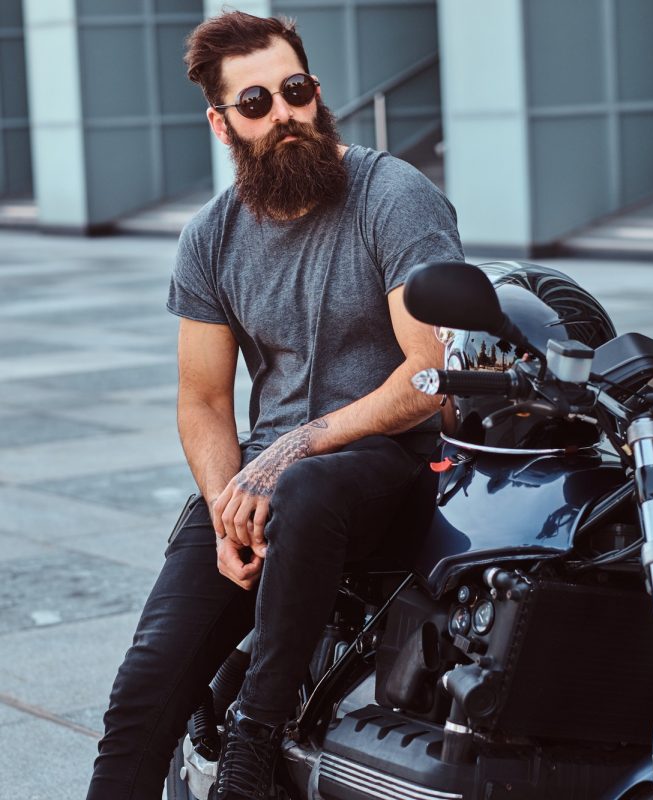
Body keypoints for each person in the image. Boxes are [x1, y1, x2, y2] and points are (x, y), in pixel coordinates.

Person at [86, 10, 463, 800]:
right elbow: (201, 401)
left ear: (317, 93)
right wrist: (228, 505)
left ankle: (253, 747)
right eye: (254, 103)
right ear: (222, 124)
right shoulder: (210, 237)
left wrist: (291, 452)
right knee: (143, 694)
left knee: (309, 483)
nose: (283, 114)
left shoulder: (392, 195)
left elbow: (428, 373)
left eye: (293, 91)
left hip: (390, 462)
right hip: (262, 479)